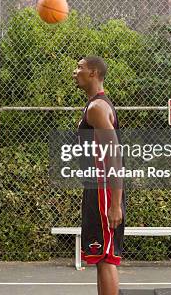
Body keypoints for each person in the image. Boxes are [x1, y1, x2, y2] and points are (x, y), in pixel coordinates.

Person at [72, 56, 125, 295]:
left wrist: (115, 205)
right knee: (100, 257)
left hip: (104, 191)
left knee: (106, 258)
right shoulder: (94, 106)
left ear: (93, 73)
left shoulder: (97, 108)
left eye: (80, 68)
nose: (75, 72)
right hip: (96, 189)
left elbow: (114, 156)